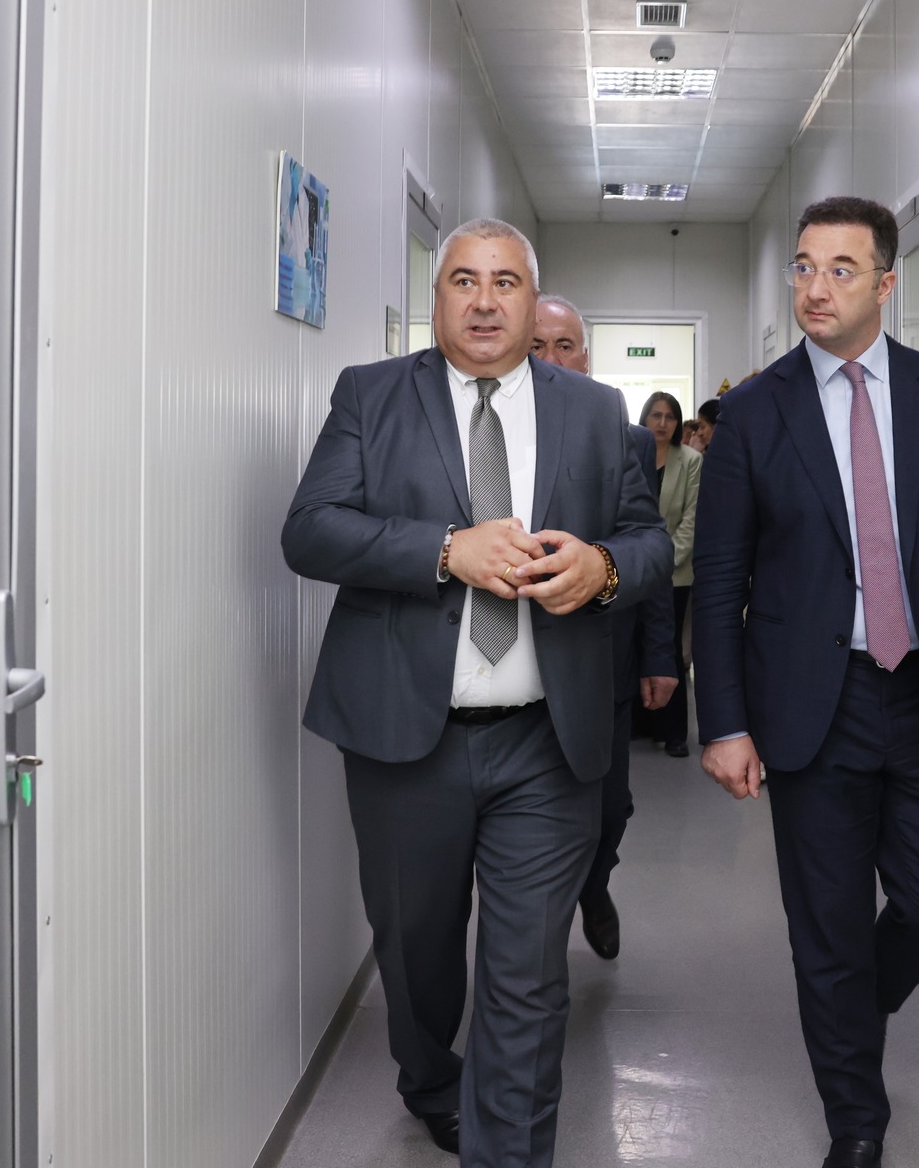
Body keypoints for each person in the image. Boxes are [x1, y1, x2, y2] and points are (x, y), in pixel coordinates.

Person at [281, 220, 670, 1165]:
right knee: (416, 951)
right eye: (464, 280)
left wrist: (605, 569)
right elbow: (310, 530)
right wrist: (443, 550)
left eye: (506, 282)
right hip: (404, 735)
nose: (486, 301)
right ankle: (427, 1076)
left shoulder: (595, 410)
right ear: (438, 298)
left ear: (534, 302)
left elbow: (649, 544)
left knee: (527, 978)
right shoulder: (372, 394)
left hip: (547, 739)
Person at [692, 196, 919, 1168]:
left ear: (885, 283)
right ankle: (856, 1120)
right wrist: (725, 723)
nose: (815, 287)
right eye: (803, 266)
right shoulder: (752, 413)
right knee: (827, 923)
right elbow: (719, 580)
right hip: (811, 702)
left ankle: (851, 1006)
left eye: (840, 269)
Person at [531, 294, 676, 960]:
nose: (552, 359)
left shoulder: (629, 439)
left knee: (609, 807)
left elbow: (648, 552)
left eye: (565, 346)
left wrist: (660, 656)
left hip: (603, 657)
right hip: (519, 663)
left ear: (585, 358)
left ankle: (596, 884)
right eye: (537, 346)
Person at [638, 391, 701, 758]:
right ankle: (641, 723)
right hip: (634, 570)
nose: (662, 423)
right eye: (656, 415)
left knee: (670, 650)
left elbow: (692, 519)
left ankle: (674, 732)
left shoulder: (691, 460)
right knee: (635, 644)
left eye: (670, 417)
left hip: (674, 572)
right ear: (644, 418)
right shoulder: (632, 455)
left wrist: (662, 561)